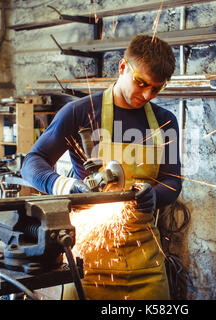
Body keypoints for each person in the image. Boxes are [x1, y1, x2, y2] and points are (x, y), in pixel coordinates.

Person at [21, 34, 182, 300]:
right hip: (89, 262)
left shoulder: (166, 122)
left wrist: (155, 195)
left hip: (147, 263)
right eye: (140, 83)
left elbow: (172, 181)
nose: (146, 94)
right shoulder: (80, 112)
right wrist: (63, 185)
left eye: (156, 89)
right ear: (122, 67)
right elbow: (32, 162)